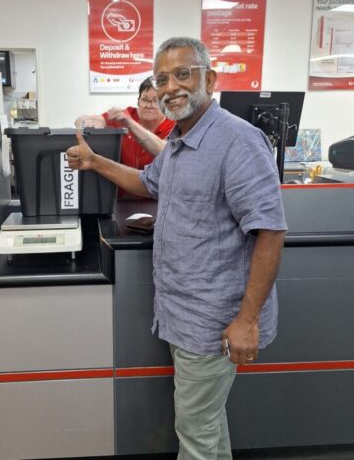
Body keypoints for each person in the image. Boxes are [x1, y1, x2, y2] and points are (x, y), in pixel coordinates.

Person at [67, 37, 287, 460]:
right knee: (206, 423)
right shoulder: (182, 140)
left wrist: (247, 320)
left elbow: (270, 232)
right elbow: (147, 182)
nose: (170, 87)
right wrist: (96, 162)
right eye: (162, 79)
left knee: (195, 432)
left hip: (214, 320)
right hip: (183, 314)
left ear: (211, 79)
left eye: (183, 74)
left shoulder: (238, 142)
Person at [75, 77, 175, 169]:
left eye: (156, 101)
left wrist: (130, 124)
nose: (149, 105)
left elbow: (166, 151)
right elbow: (80, 120)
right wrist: (89, 124)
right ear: (138, 101)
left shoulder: (174, 126)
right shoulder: (127, 115)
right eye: (144, 99)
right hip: (121, 181)